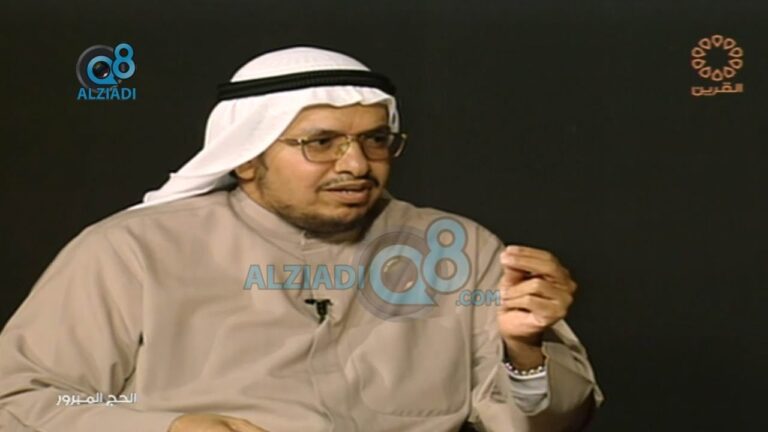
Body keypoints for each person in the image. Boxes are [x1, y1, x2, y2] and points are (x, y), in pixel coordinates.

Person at [0, 46, 603, 432]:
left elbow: (552, 423)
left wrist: (525, 352)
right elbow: (25, 397)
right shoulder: (132, 251)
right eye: (321, 143)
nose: (356, 165)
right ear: (246, 157)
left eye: (375, 140)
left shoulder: (458, 249)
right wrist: (164, 425)